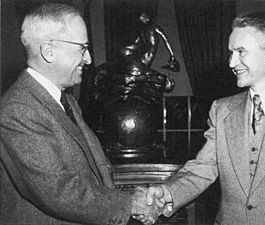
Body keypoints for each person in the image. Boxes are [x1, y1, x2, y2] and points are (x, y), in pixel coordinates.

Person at [0, 3, 159, 225]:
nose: (89, 60)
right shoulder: (18, 110)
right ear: (48, 51)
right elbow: (58, 191)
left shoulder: (66, 100)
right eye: (82, 48)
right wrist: (130, 203)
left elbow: (96, 166)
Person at [138, 11, 265, 225]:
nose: (232, 63)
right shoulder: (222, 110)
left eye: (241, 52)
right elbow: (204, 167)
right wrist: (167, 192)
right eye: (231, 53)